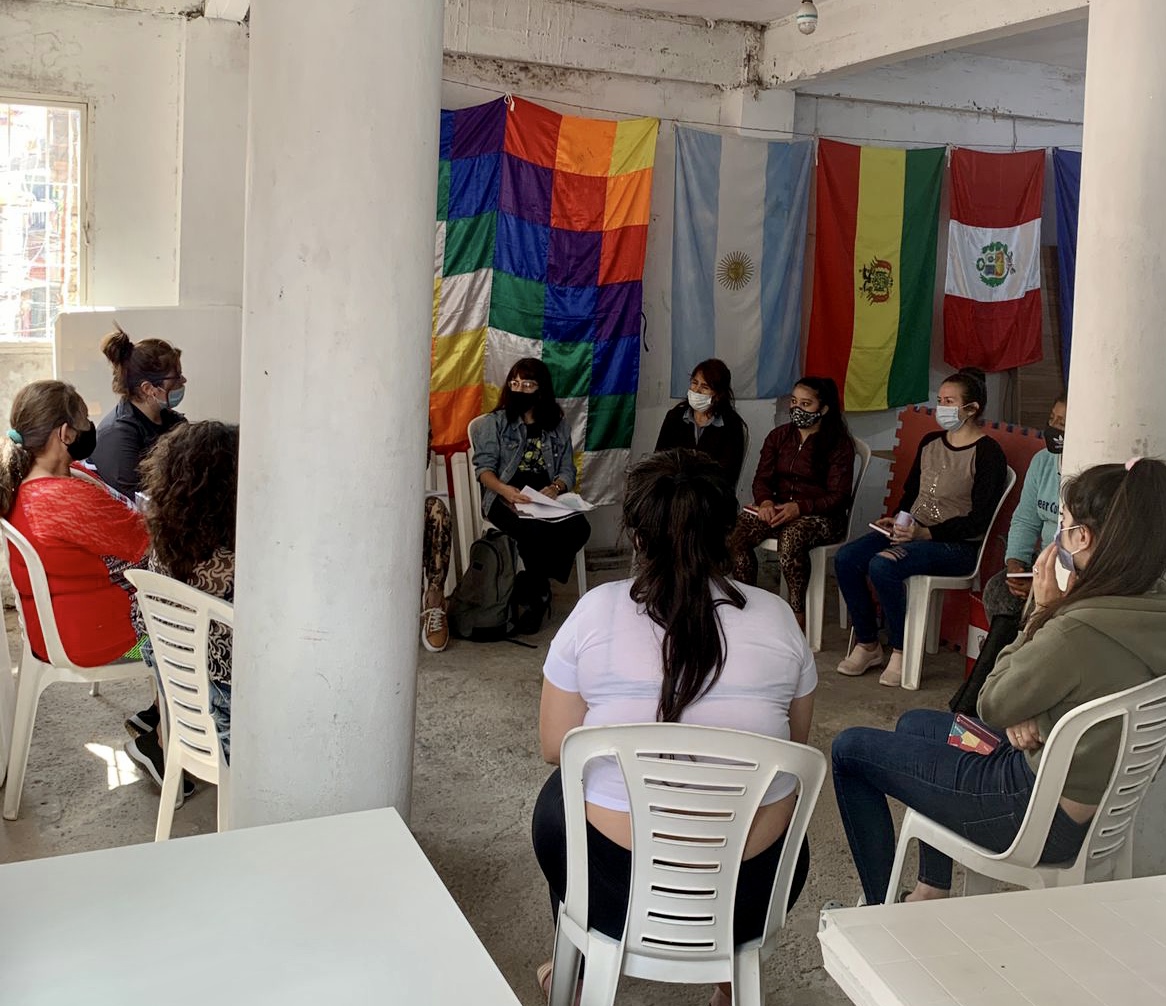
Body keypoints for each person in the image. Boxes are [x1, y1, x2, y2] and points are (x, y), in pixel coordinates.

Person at [532, 450, 815, 1006]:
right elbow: (793, 746)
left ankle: (581, 974)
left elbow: (554, 745)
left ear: (637, 534)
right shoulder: (779, 619)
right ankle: (730, 982)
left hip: (612, 888)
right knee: (771, 793)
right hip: (750, 893)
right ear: (729, 531)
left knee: (562, 790)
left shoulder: (594, 611)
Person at [831, 458, 1166, 907]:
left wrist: (1041, 613)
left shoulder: (1077, 629)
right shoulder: (1147, 610)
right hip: (1083, 805)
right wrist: (1034, 716)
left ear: (1082, 538)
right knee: (915, 724)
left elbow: (991, 702)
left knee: (850, 749)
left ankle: (879, 909)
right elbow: (1070, 693)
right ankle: (930, 890)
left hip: (1025, 808)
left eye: (1063, 525)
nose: (1057, 538)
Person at [835, 368, 1007, 687]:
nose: (941, 407)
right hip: (913, 532)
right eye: (940, 400)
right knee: (847, 558)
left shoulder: (987, 453)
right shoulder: (930, 442)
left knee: (882, 566)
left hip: (955, 545)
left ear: (972, 408)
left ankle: (901, 649)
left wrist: (926, 534)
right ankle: (868, 644)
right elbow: (911, 493)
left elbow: (979, 520)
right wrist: (898, 520)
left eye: (950, 401)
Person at [1, 380, 148, 668]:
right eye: (85, 421)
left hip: (55, 631)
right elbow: (147, 543)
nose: (90, 428)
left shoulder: (23, 479)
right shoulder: (63, 498)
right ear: (65, 433)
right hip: (101, 643)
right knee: (191, 623)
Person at [124, 421, 238, 785]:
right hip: (233, 735)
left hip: (187, 715)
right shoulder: (239, 569)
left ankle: (160, 735)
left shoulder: (162, 549)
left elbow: (141, 634)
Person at [951, 395, 1068, 714]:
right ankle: (985, 700)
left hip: (1069, 572)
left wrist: (1044, 583)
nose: (1053, 428)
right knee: (1001, 590)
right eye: (1052, 419)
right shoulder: (1043, 462)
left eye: (1063, 423)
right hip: (1039, 564)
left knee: (1020, 615)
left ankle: (976, 703)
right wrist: (1016, 563)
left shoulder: (1091, 474)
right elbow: (1026, 518)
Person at [471, 358, 590, 634]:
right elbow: (484, 471)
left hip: (545, 496)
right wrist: (505, 491)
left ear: (540, 389)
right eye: (514, 383)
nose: (519, 389)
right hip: (504, 495)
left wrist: (556, 487)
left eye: (527, 384)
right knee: (533, 532)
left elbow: (567, 469)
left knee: (580, 528)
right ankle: (538, 596)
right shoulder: (495, 423)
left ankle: (534, 582)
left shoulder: (557, 424)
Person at [729, 376, 855, 629]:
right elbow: (762, 478)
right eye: (794, 402)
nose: (797, 409)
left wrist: (800, 508)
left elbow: (838, 496)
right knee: (737, 534)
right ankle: (747, 603)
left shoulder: (838, 444)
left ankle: (797, 614)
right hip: (778, 509)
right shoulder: (779, 437)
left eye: (806, 404)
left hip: (823, 517)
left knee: (791, 537)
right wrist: (765, 502)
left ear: (824, 409)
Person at [90, 324, 187, 501]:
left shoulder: (172, 421)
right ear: (148, 388)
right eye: (176, 377)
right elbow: (137, 501)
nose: (183, 380)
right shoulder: (118, 434)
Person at [654, 358, 748, 489]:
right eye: (694, 383)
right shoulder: (675, 416)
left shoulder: (731, 426)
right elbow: (659, 459)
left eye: (705, 387)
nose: (696, 390)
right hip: (673, 492)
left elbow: (727, 475)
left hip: (710, 495)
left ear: (718, 395)